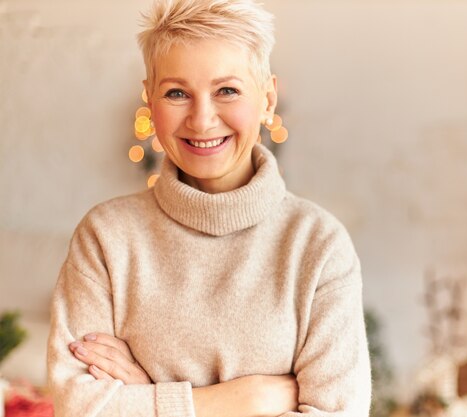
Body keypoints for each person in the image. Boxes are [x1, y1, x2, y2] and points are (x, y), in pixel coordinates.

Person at [46, 0, 372, 416]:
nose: (201, 120)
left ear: (268, 98)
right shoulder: (106, 237)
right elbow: (79, 408)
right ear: (150, 98)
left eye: (227, 91)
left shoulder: (319, 245)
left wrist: (147, 397)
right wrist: (248, 399)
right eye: (177, 93)